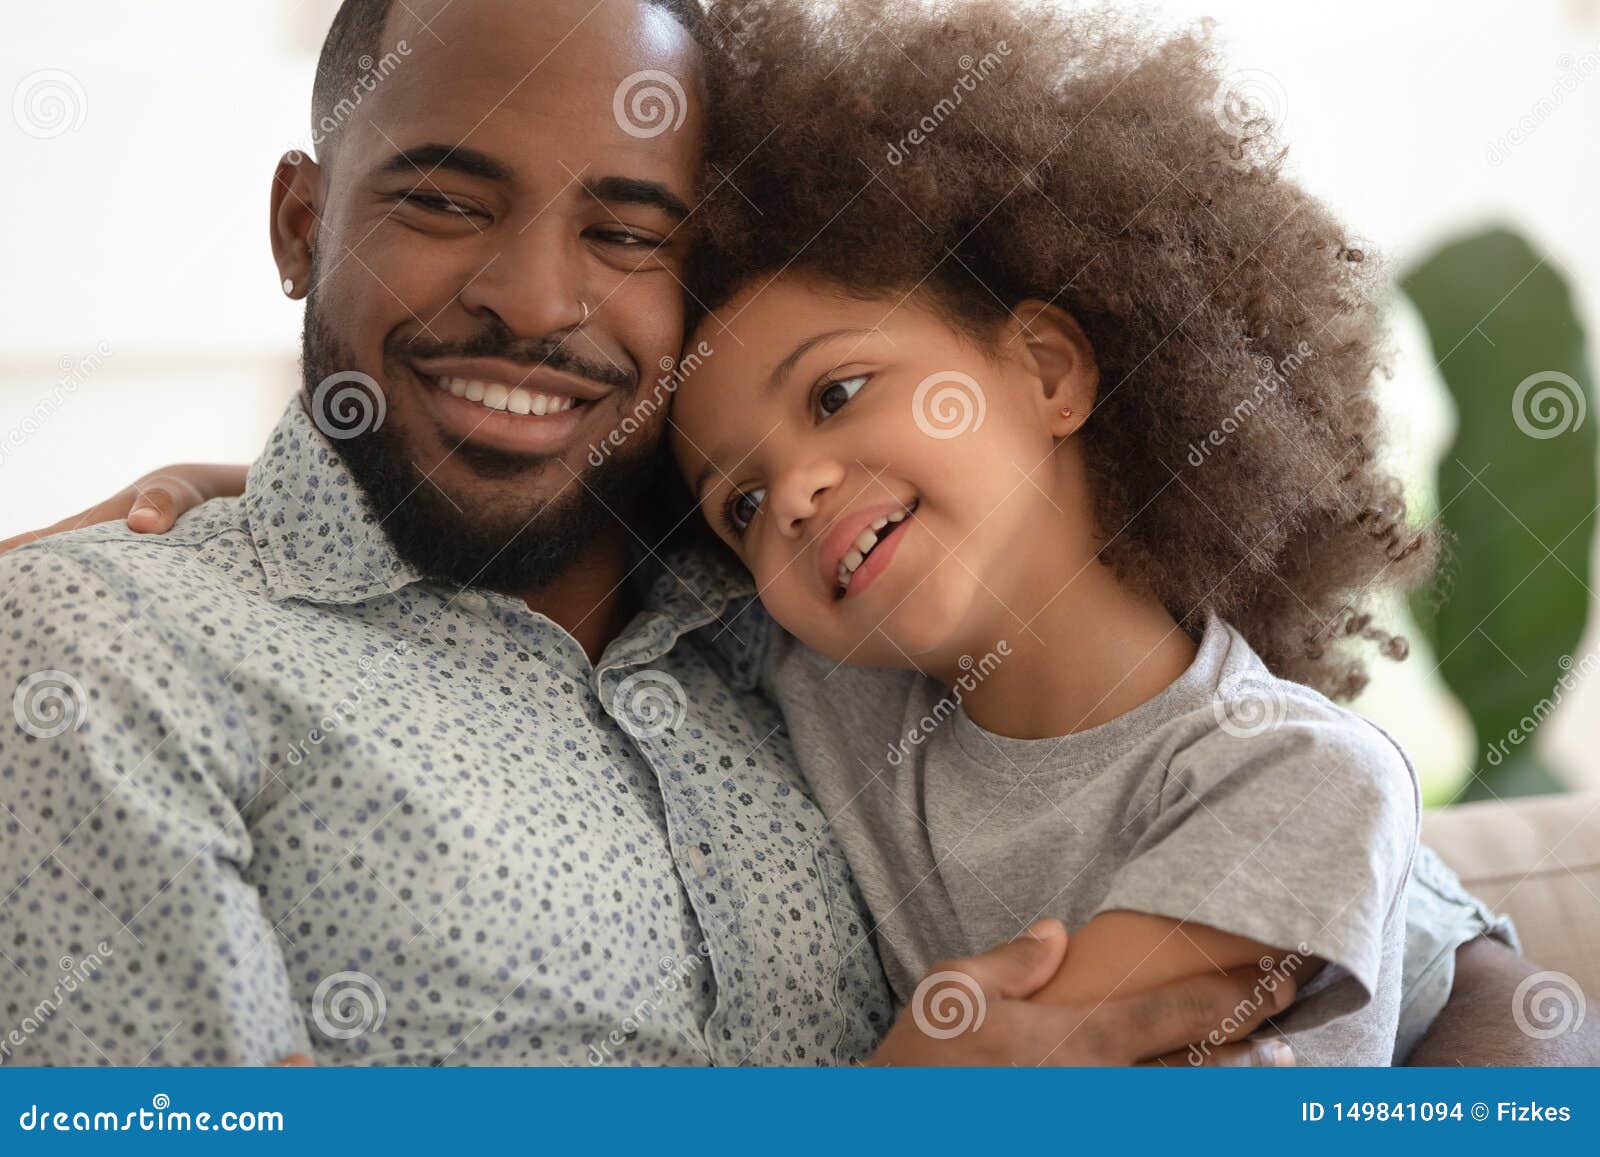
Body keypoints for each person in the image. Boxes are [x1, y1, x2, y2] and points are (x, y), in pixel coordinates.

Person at [0, 0, 1573, 1066]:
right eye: (444, 202)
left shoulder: (791, 633)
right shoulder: (117, 648)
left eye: (627, 232)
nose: (540, 300)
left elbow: (1415, 950)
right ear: (301, 226)